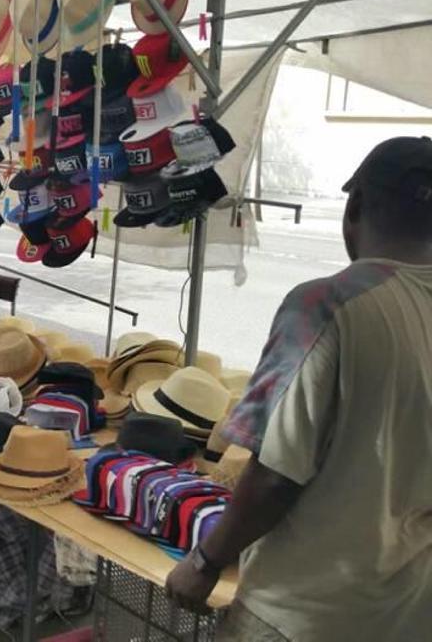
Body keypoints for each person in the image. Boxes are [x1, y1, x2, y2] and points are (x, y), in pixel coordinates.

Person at [165, 136, 432, 641]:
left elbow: (276, 475)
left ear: (354, 207)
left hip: (306, 612)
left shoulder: (326, 305)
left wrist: (204, 561)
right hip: (412, 613)